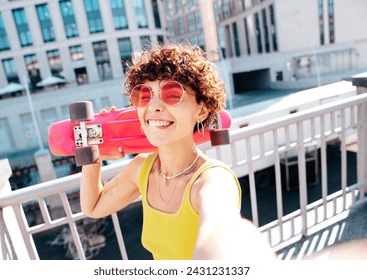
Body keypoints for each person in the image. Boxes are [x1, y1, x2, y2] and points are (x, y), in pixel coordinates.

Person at [80, 43, 275, 260]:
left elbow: (220, 231)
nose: (153, 106)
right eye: (144, 95)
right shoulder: (141, 168)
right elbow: (94, 207)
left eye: (172, 95)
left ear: (201, 111)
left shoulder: (213, 180)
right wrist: (94, 150)